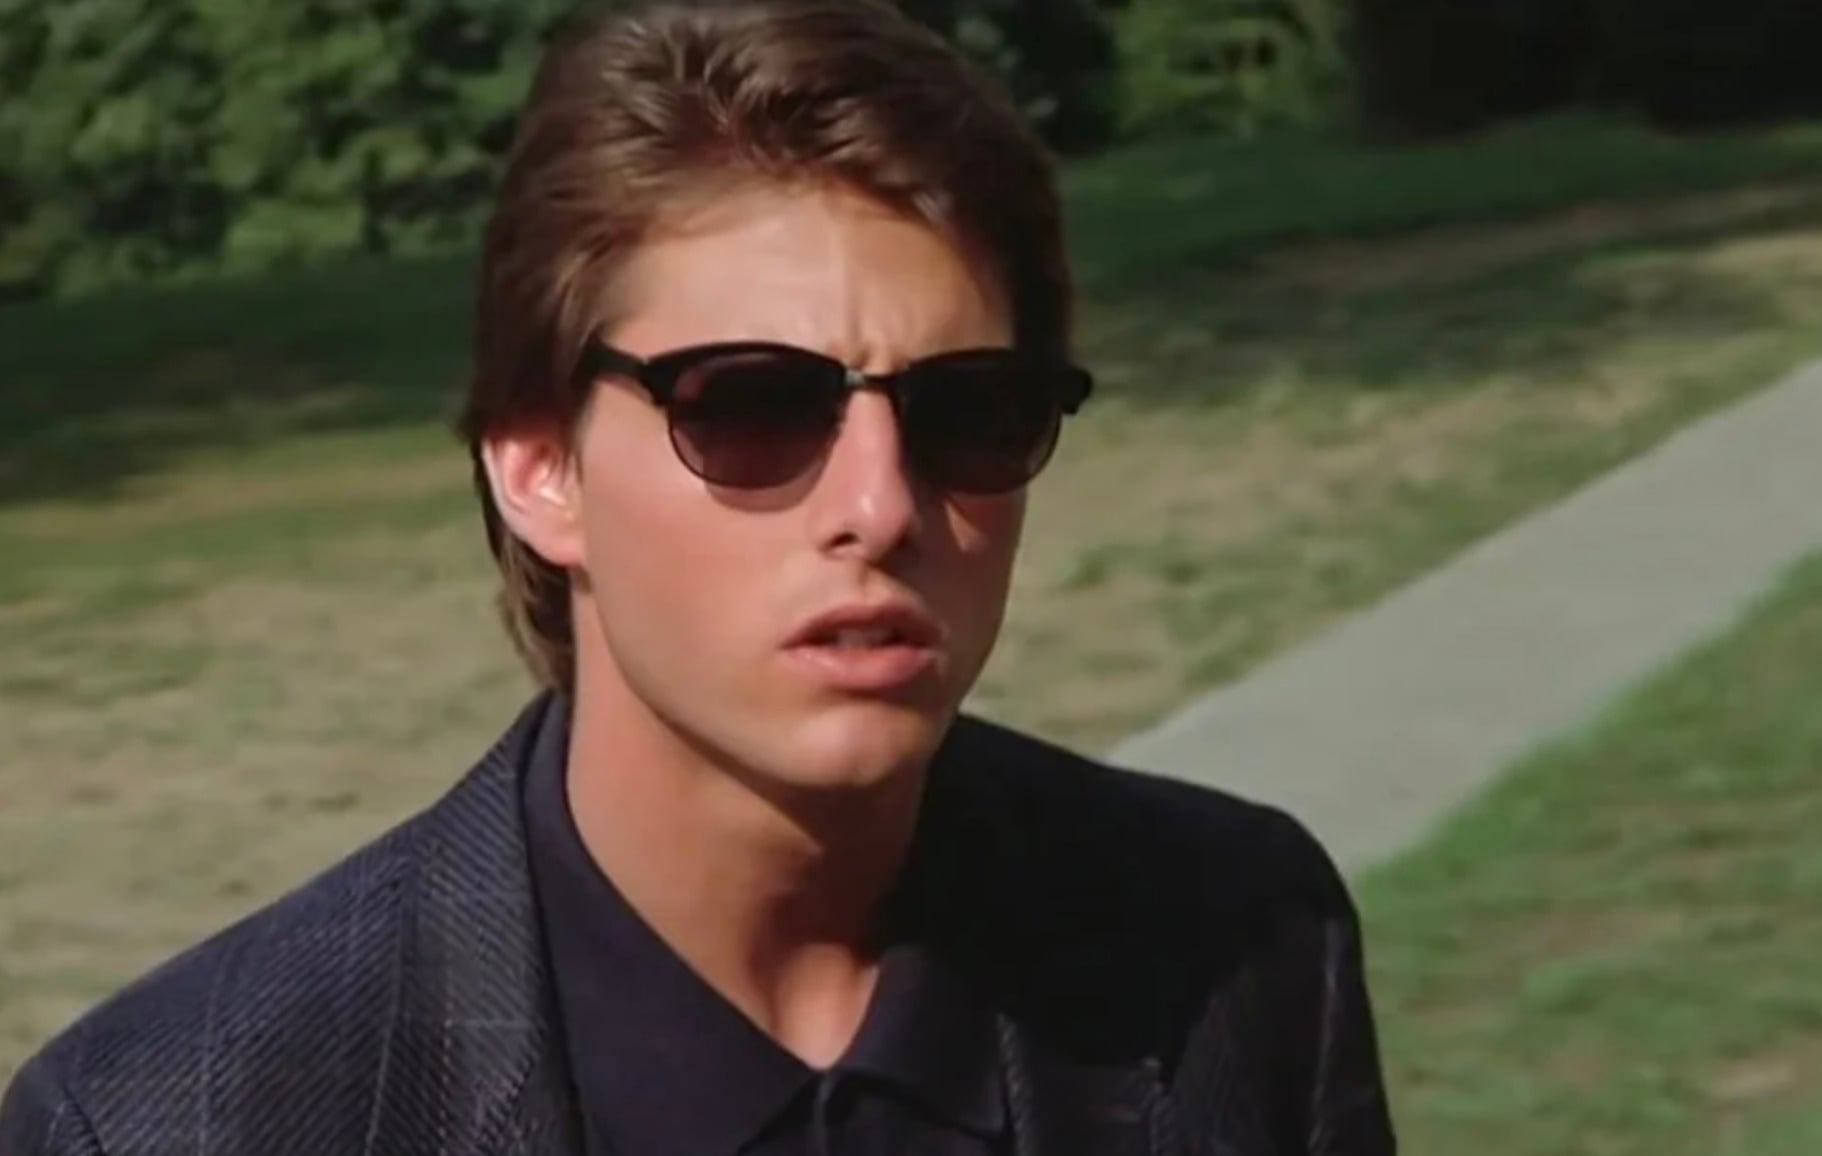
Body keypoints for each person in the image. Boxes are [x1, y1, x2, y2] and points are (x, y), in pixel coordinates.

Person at [0, 2, 1397, 1153]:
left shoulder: (1237, 944)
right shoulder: (172, 1121)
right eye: (750, 407)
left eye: (970, 409)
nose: (879, 504)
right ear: (540, 467)